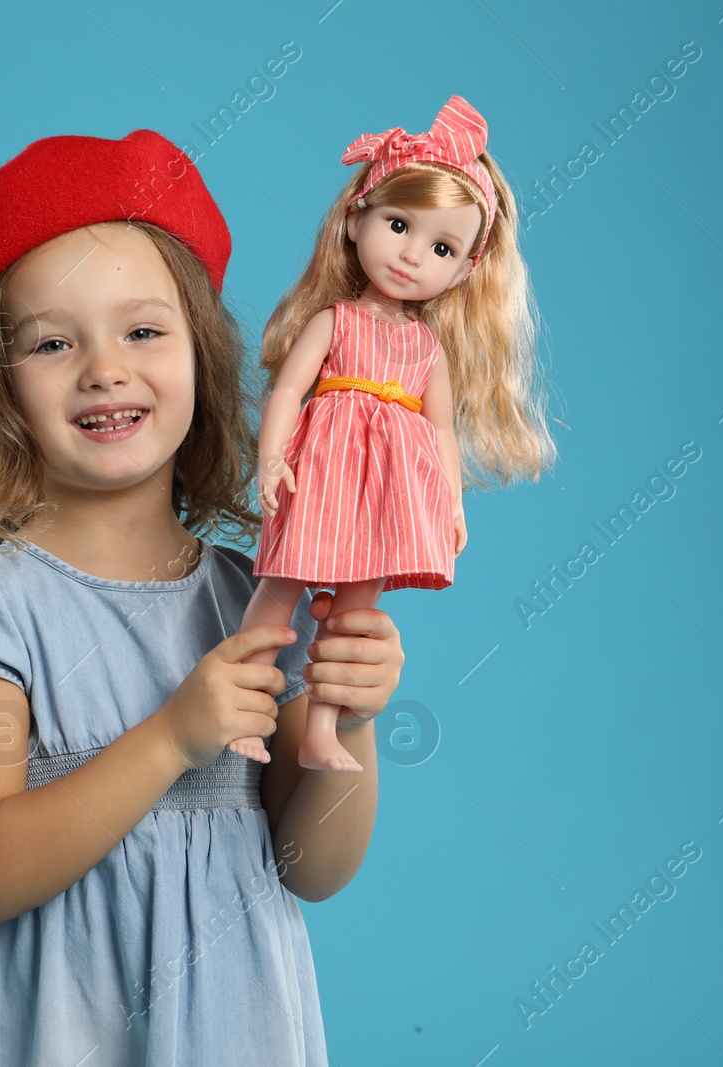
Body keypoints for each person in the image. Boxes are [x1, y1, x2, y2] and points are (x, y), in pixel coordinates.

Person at [0, 127, 406, 1065]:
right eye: (52, 342)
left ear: (201, 357)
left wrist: (351, 718)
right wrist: (174, 734)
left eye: (142, 330)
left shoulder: (258, 603)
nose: (105, 368)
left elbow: (313, 868)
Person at [233, 95, 558, 772]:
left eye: (441, 246)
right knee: (281, 583)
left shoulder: (426, 349)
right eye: (399, 225)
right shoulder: (337, 321)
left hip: (384, 493)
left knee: (354, 613)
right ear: (356, 219)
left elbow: (439, 427)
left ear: (465, 268)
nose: (413, 255)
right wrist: (271, 459)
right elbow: (290, 390)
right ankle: (243, 710)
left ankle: (323, 727)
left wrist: (452, 501)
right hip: (320, 474)